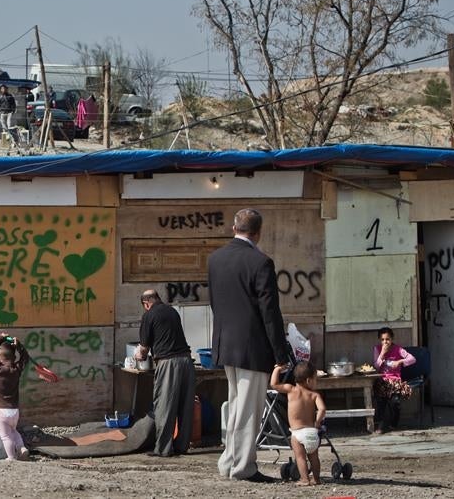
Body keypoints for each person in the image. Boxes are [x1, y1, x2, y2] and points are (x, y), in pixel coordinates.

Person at [208, 208, 290, 483]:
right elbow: (270, 313)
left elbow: (215, 302)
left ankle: (229, 461)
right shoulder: (261, 262)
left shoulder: (215, 259)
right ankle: (243, 467)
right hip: (252, 346)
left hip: (225, 344)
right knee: (248, 410)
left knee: (235, 406)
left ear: (234, 228)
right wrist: (281, 353)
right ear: (258, 233)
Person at [136, 289, 195, 457]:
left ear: (146, 304)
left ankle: (163, 448)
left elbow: (144, 349)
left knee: (164, 405)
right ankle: (182, 446)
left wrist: (138, 355)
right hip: (186, 361)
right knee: (185, 406)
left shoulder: (149, 315)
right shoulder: (172, 311)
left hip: (168, 363)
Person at [270, 361, 326, 486]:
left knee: (300, 457)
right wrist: (317, 422)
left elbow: (274, 384)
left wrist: (278, 369)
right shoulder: (314, 395)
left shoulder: (290, 390)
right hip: (312, 432)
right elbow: (322, 409)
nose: (316, 382)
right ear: (308, 380)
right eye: (315, 379)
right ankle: (316, 479)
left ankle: (305, 479)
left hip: (297, 433)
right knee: (314, 458)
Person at [0, 332, 31, 461]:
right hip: (14, 411)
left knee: (6, 436)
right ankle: (22, 448)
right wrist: (20, 346)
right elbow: (25, 358)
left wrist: (0, 337)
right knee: (13, 431)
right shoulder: (16, 369)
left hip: (0, 410)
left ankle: (11, 457)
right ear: (13, 357)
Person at [372, 326, 416, 434]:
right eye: (382, 340)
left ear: (392, 339)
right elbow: (376, 366)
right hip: (382, 380)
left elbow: (412, 359)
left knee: (395, 402)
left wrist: (400, 361)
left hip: (395, 381)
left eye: (387, 339)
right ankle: (381, 424)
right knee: (381, 400)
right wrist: (382, 353)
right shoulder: (377, 349)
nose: (385, 342)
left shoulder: (398, 349)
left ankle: (394, 423)